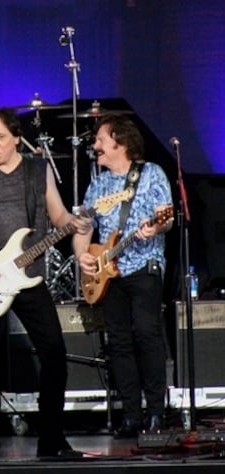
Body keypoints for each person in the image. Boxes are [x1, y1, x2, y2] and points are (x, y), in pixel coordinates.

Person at [0, 107, 92, 460]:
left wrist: (78, 223)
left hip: (29, 277)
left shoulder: (36, 170)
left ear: (16, 138)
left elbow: (58, 216)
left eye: (0, 138)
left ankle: (52, 440)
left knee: (54, 354)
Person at [72, 113, 173, 438]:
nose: (96, 146)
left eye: (101, 139)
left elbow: (166, 218)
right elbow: (83, 227)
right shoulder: (99, 184)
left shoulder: (151, 174)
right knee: (118, 343)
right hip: (109, 274)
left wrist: (156, 227)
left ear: (120, 141)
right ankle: (131, 415)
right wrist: (83, 256)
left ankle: (156, 412)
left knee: (146, 334)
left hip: (144, 266)